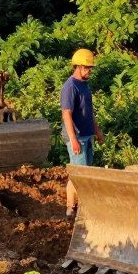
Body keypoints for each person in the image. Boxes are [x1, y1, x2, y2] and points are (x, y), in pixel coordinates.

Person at [61, 48, 104, 217]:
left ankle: (79, 207)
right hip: (77, 136)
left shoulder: (84, 85)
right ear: (78, 67)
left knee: (84, 172)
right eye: (86, 68)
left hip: (87, 135)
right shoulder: (70, 87)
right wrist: (73, 139)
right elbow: (66, 114)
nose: (89, 71)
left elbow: (89, 112)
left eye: (90, 68)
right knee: (79, 174)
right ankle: (71, 208)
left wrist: (97, 132)